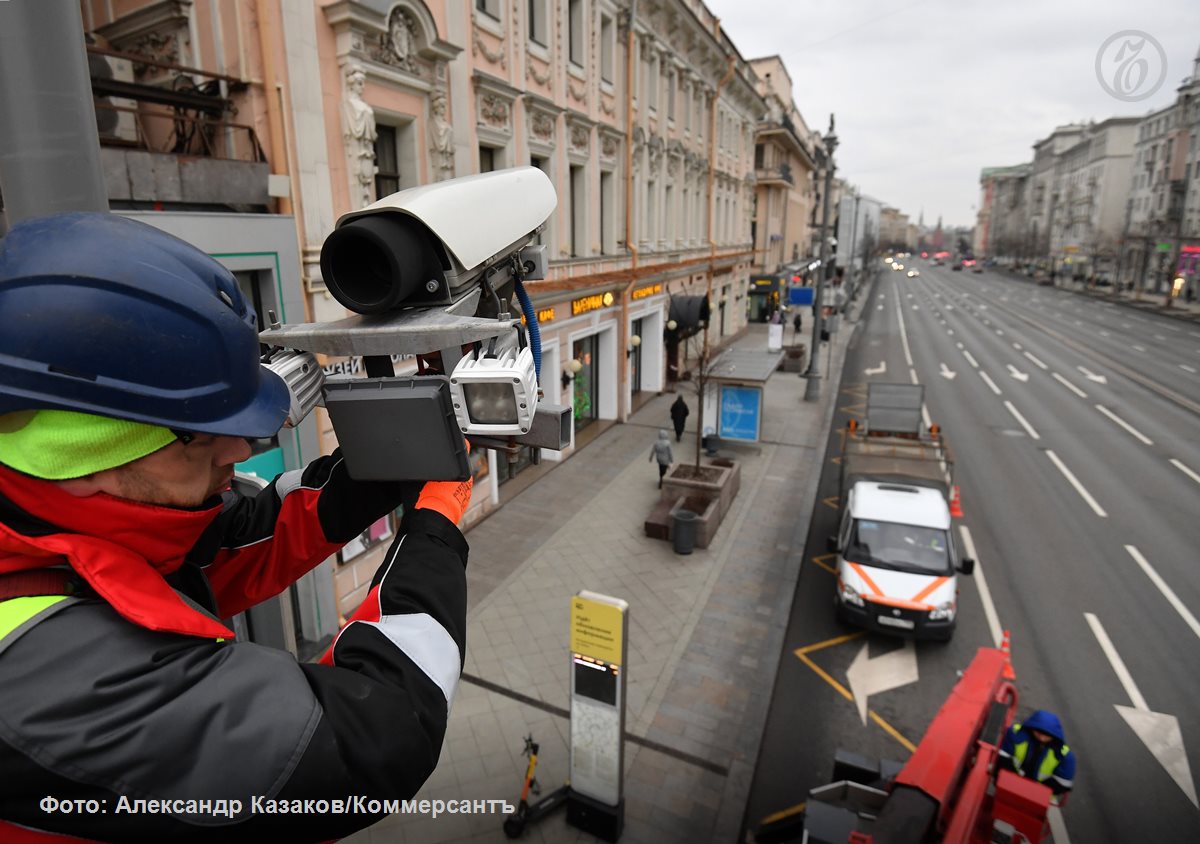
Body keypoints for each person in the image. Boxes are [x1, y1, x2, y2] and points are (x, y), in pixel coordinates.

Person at [0, 212, 471, 841]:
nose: (239, 452)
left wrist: (393, 458)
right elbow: (371, 740)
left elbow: (247, 533)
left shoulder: (68, 518)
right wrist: (434, 528)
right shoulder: (47, 677)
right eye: (199, 437)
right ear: (81, 458)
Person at [998, 710, 1076, 804]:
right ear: (1032, 727)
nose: (1042, 738)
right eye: (1039, 733)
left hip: (1040, 798)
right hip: (1010, 785)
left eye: (1047, 735)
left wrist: (1032, 791)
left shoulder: (1065, 756)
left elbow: (1062, 783)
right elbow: (1003, 758)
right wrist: (1014, 783)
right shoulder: (1015, 735)